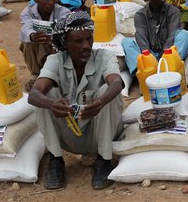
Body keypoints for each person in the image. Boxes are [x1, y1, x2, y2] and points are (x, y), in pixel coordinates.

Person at [29, 12, 123, 190]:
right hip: (69, 136)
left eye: (89, 39)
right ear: (65, 44)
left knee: (109, 91)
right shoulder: (54, 60)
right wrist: (52, 104)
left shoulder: (105, 56)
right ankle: (56, 160)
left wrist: (101, 101)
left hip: (101, 133)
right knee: (44, 97)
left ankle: (104, 160)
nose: (86, 45)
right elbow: (34, 94)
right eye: (78, 41)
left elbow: (117, 83)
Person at [121, 0, 188, 75]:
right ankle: (145, 70)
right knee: (126, 42)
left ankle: (167, 67)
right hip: (149, 55)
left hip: (168, 54)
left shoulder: (173, 11)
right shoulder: (140, 15)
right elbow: (141, 38)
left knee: (186, 35)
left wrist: (165, 54)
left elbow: (172, 35)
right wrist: (148, 56)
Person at [19, 0, 71, 90]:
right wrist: (32, 36)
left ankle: (57, 74)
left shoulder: (64, 12)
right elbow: (26, 29)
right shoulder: (28, 12)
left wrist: (51, 41)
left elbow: (64, 34)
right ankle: (36, 75)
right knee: (27, 40)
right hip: (40, 49)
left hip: (57, 51)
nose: (51, 2)